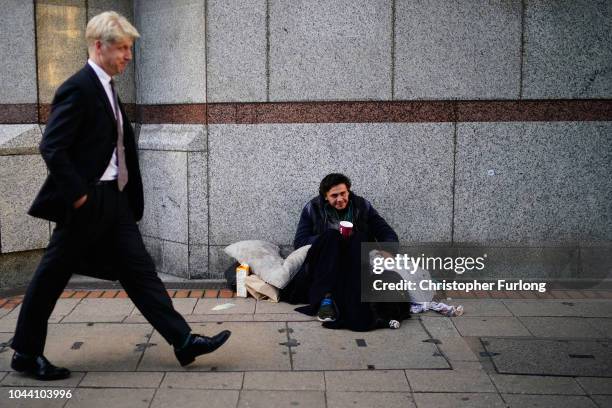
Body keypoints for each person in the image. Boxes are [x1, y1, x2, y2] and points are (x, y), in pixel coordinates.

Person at [10, 11, 230, 381]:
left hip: (116, 200)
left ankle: (183, 341)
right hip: (88, 202)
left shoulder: (108, 86)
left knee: (140, 272)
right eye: (123, 48)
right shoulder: (78, 87)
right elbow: (52, 146)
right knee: (50, 277)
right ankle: (26, 354)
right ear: (99, 46)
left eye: (130, 48)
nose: (128, 56)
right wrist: (79, 196)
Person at [281, 173, 410, 331]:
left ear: (348, 191)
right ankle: (325, 300)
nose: (340, 199)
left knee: (359, 237)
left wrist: (388, 249)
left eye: (343, 193)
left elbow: (385, 231)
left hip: (353, 262)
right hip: (325, 263)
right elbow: (300, 241)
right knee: (331, 236)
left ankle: (353, 303)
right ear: (325, 196)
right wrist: (330, 238)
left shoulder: (362, 206)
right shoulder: (313, 208)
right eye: (334, 195)